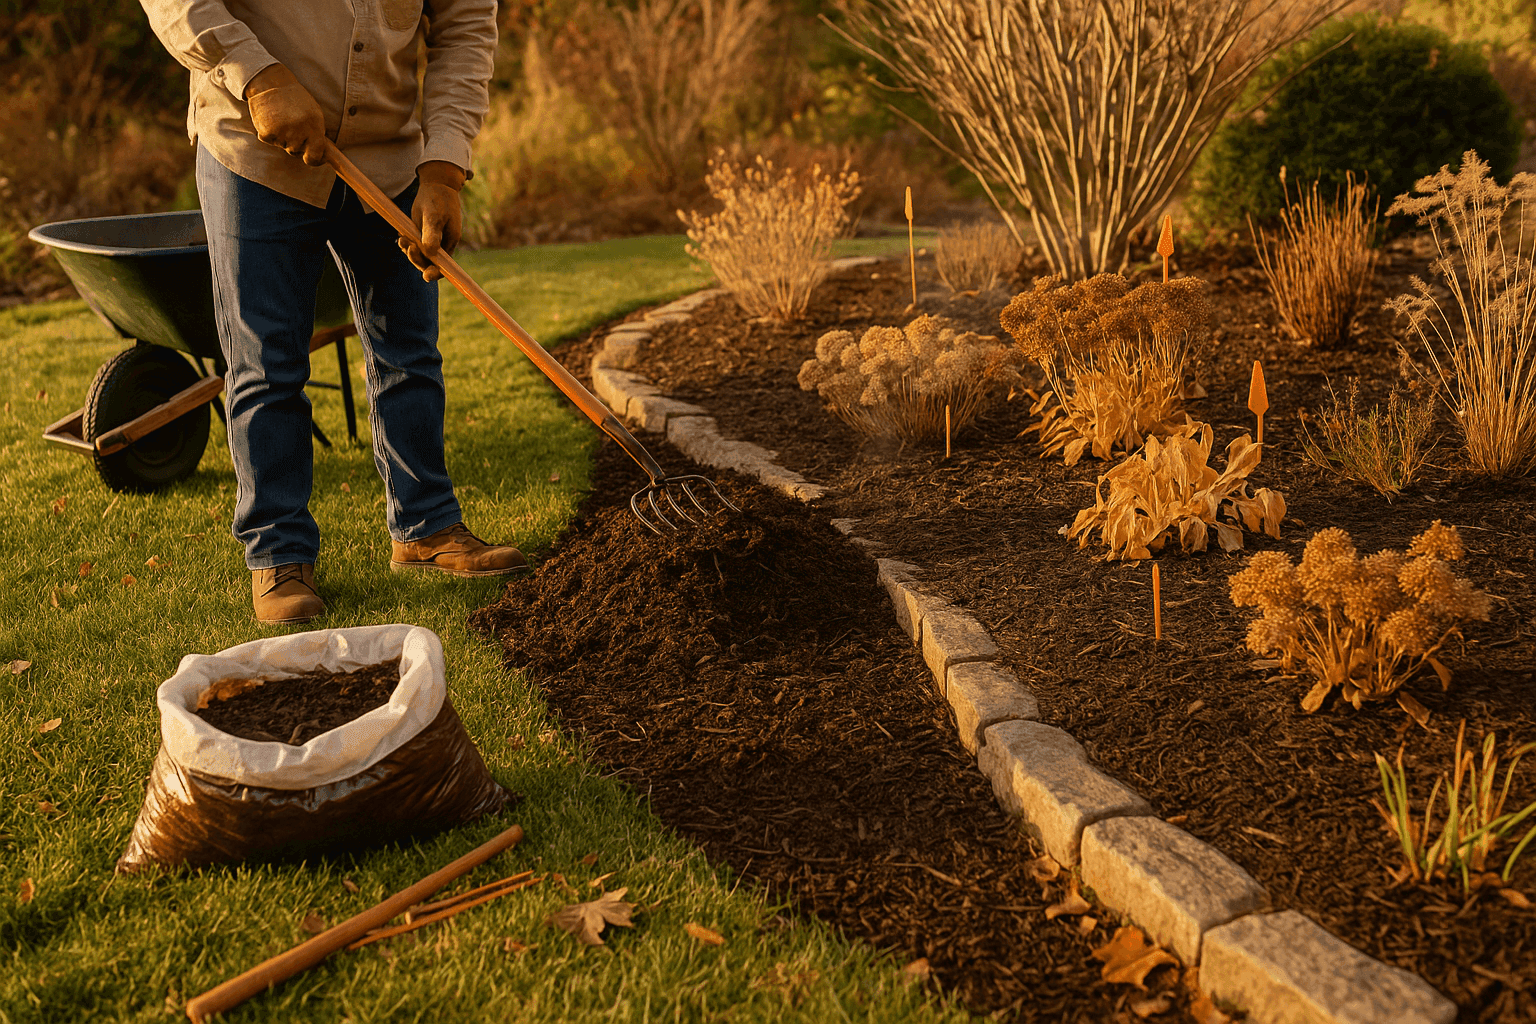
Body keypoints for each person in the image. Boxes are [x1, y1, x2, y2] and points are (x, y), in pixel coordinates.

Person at [140, 0, 525, 625]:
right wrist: (258, 76)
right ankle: (279, 554)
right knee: (266, 365)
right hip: (256, 157)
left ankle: (425, 527)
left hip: (392, 158)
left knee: (409, 352)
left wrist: (446, 167)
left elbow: (464, 27)